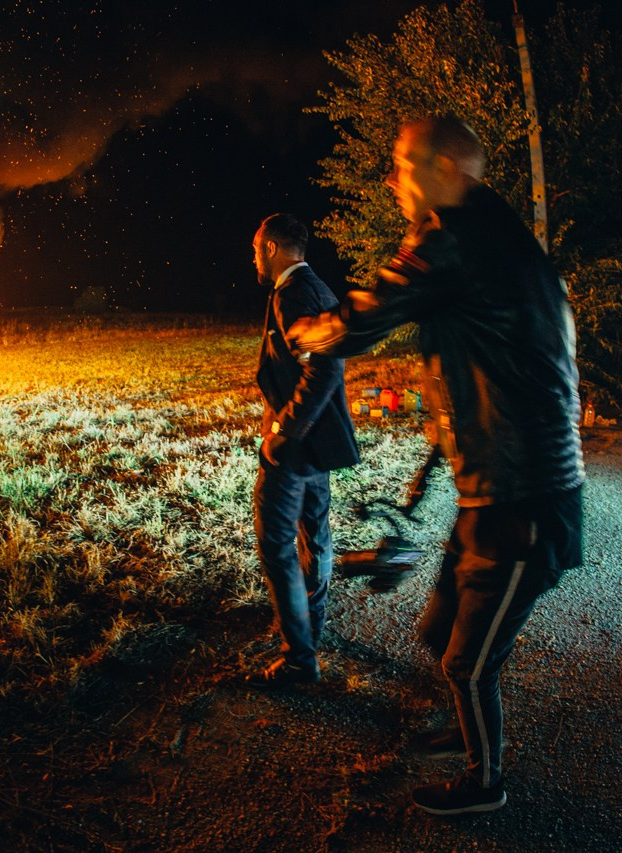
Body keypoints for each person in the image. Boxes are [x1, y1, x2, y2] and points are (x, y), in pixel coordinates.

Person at [286, 117, 584, 814]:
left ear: (446, 167)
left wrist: (310, 332)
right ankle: (470, 724)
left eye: (402, 163)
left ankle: (486, 783)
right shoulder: (500, 239)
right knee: (443, 628)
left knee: (466, 661)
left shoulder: (451, 235)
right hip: (497, 487)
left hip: (527, 498)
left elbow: (368, 312)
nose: (392, 179)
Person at [245, 213, 360, 688]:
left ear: (271, 247)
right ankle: (310, 627)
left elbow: (324, 370)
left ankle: (298, 658)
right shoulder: (316, 289)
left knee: (277, 545)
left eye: (256, 249)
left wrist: (284, 432)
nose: (253, 258)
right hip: (317, 444)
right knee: (314, 536)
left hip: (296, 448)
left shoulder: (294, 294)